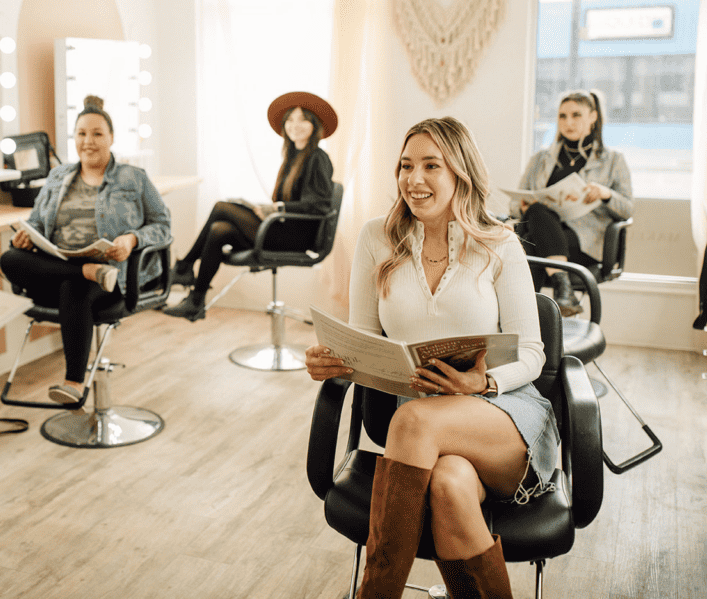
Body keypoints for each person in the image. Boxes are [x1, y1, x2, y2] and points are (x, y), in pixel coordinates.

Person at [305, 117, 559, 598]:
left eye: (430, 166)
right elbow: (363, 336)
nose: (413, 180)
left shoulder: (498, 242)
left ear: (460, 172)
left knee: (415, 423)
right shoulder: (377, 237)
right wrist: (332, 359)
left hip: (502, 415)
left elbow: (532, 354)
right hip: (421, 427)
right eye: (405, 166)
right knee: (449, 486)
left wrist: (480, 385)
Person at [0, 95, 171, 404]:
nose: (87, 142)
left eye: (96, 134)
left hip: (111, 280)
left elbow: (162, 225)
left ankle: (73, 383)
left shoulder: (133, 178)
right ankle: (86, 271)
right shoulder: (57, 176)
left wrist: (131, 239)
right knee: (9, 258)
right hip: (60, 267)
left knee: (74, 286)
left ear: (111, 138)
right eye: (81, 134)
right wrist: (27, 236)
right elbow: (37, 221)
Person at [162, 91, 336, 321]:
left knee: (222, 207)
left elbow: (320, 205)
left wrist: (278, 208)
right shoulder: (293, 157)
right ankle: (196, 301)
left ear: (314, 124)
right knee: (218, 230)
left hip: (297, 236)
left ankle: (184, 267)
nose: (295, 125)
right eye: (290, 119)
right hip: (282, 229)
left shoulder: (317, 158)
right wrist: (269, 208)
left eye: (302, 119)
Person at [512, 90, 633, 316]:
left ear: (593, 117)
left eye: (576, 115)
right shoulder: (540, 159)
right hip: (543, 230)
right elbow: (515, 203)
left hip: (584, 241)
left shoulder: (613, 160)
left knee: (528, 247)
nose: (568, 122)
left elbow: (627, 209)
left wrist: (606, 194)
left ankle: (522, 327)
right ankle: (563, 290)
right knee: (537, 211)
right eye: (562, 116)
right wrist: (523, 206)